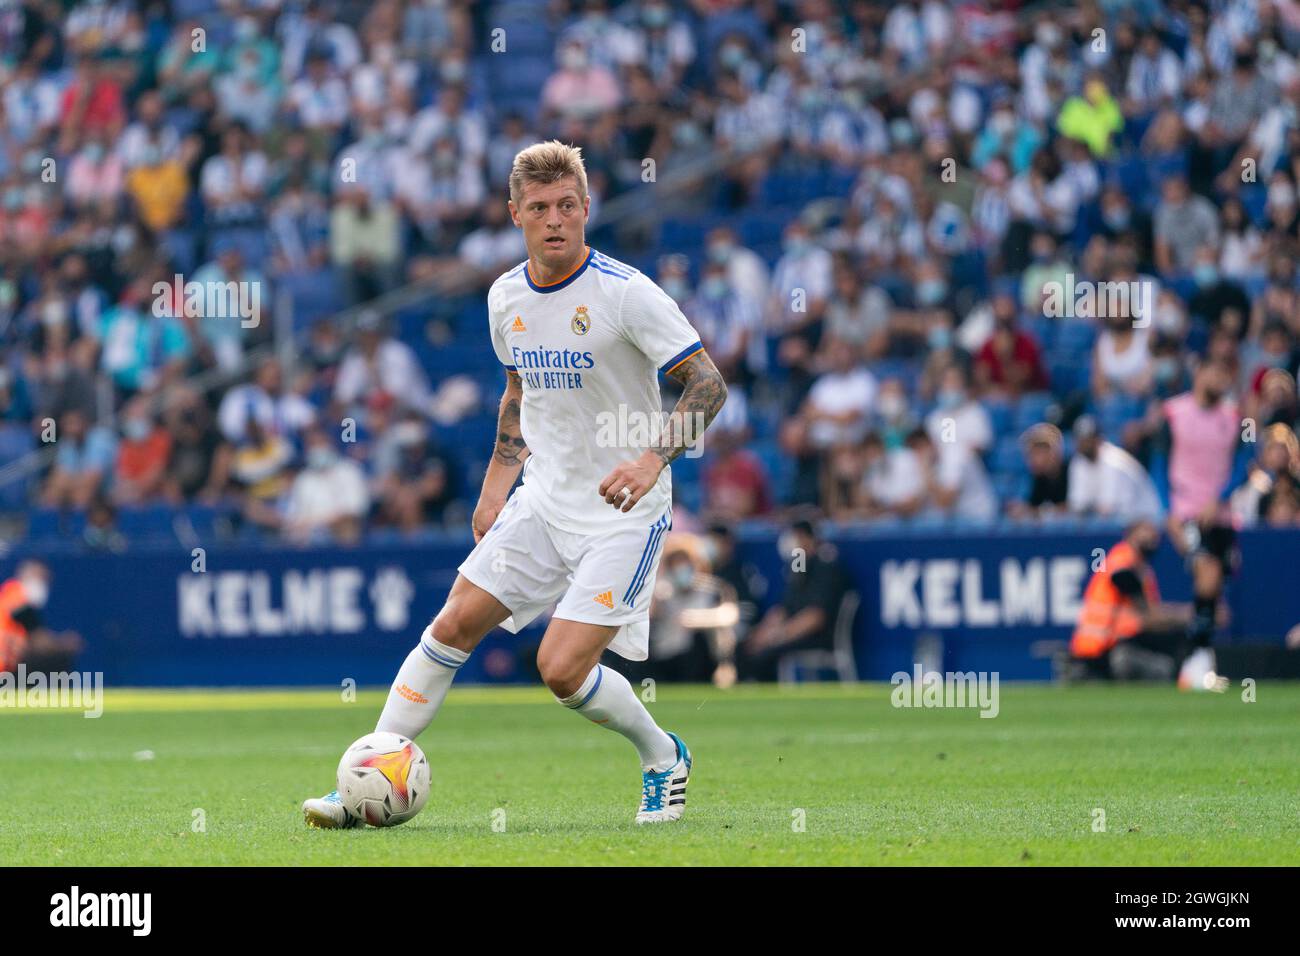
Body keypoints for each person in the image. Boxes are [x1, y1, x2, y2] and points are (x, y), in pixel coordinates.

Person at [303, 142, 726, 827]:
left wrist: (651, 461)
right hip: (543, 498)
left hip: (624, 510)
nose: (554, 219)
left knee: (560, 669)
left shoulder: (627, 292)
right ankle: (366, 775)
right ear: (514, 214)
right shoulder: (505, 295)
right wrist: (496, 485)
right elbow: (517, 392)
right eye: (538, 208)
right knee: (451, 624)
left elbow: (708, 383)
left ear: (587, 209)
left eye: (567, 206)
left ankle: (662, 754)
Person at [1161, 359, 1242, 691]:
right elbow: (1157, 461)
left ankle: (1194, 661)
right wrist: (1168, 512)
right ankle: (1196, 659)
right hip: (1187, 512)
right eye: (1216, 371)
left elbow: (1240, 465)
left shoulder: (1233, 417)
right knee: (1206, 576)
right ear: (1199, 373)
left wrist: (1220, 496)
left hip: (1220, 517)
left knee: (1213, 590)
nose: (1221, 378)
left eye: (1226, 373)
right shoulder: (1174, 413)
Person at [1069, 520, 1198, 682]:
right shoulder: (1123, 560)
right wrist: (1188, 615)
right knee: (1174, 648)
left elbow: (1151, 612)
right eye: (1146, 529)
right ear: (1130, 535)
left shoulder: (1141, 568)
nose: (1153, 535)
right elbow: (1149, 615)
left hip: (1111, 643)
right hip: (1102, 646)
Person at [738, 519, 850, 682]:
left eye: (796, 537)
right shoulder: (798, 569)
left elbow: (816, 617)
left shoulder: (826, 568)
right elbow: (785, 607)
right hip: (792, 632)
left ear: (808, 539)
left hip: (817, 637)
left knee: (767, 654)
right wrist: (761, 633)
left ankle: (767, 701)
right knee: (744, 646)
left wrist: (779, 635)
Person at [1067, 415, 1163, 521]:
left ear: (1097, 439)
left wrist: (1089, 508)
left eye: (1087, 439)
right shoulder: (1078, 462)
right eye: (1080, 439)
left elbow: (1107, 508)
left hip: (1148, 519)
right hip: (1123, 520)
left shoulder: (1113, 461)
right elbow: (1077, 505)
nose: (1083, 443)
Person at [0, 560, 84, 675]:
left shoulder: (9, 594)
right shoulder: (17, 598)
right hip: (5, 669)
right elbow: (40, 642)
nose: (42, 584)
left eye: (45, 580)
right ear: (24, 575)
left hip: (8, 664)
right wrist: (63, 644)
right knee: (59, 657)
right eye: (39, 577)